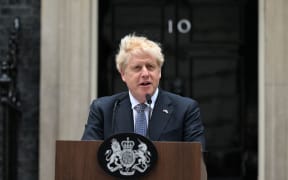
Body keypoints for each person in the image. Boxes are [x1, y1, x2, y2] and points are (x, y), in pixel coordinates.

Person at [81, 34, 207, 178]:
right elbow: (87, 158)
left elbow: (197, 159)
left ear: (159, 72)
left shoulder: (185, 109)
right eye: (137, 68)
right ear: (123, 74)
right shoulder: (104, 109)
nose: (145, 74)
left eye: (151, 67)